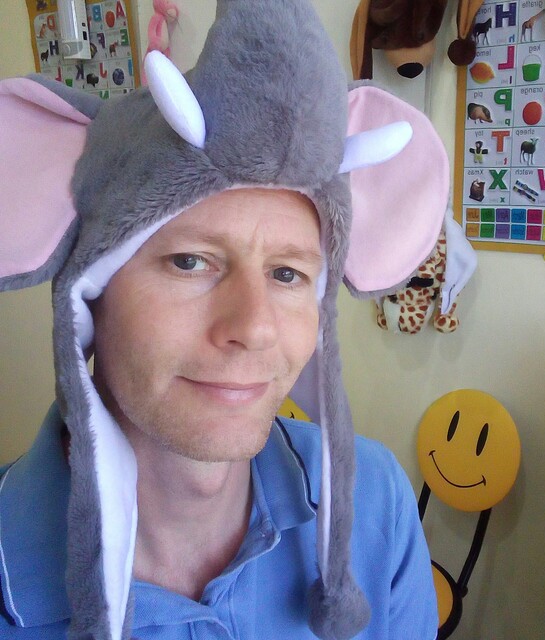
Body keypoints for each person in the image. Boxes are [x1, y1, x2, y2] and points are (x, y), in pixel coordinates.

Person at [0, 0, 451, 638]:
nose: (255, 327)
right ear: (91, 296)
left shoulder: (377, 504)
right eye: (190, 262)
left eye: (288, 274)